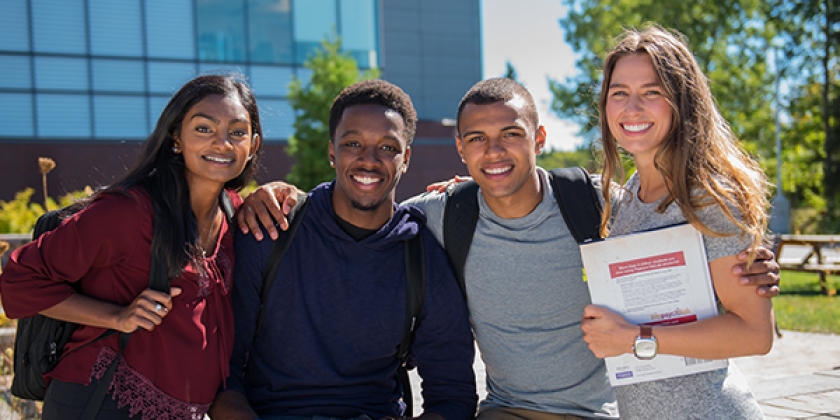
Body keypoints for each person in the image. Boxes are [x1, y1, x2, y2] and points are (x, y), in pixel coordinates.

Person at [239, 78, 780, 420]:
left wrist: (744, 257)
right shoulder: (441, 216)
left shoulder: (594, 204)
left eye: (511, 135)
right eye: (477, 139)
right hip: (507, 411)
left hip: (603, 410)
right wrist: (274, 195)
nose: (493, 152)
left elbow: (671, 224)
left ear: (539, 139)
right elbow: (361, 208)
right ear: (460, 148)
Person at [208, 80, 477, 420]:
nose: (369, 160)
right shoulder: (271, 230)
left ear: (406, 157)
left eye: (388, 147)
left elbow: (453, 395)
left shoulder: (423, 259)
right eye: (353, 143)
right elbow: (220, 374)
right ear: (332, 151)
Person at [0, 74, 263, 419]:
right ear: (176, 139)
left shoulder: (235, 215)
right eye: (204, 129)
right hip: (99, 406)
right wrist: (117, 316)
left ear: (253, 145)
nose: (222, 143)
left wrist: (278, 191)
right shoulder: (128, 213)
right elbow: (19, 279)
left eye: (237, 132)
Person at [579, 26, 773, 418]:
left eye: (652, 92)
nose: (632, 108)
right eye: (619, 93)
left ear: (682, 101)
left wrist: (633, 339)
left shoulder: (709, 198)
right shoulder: (632, 193)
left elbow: (755, 334)